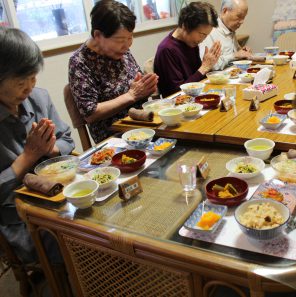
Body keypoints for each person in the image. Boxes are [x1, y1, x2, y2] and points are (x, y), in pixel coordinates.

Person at [0, 28, 75, 263]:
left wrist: (49, 148)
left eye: (33, 77)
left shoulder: (38, 98)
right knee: (74, 238)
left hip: (58, 196)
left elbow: (67, 140)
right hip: (20, 216)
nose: (29, 87)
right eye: (22, 81)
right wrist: (28, 156)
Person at [69, 0, 158, 143]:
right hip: (115, 138)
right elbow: (90, 113)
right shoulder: (80, 62)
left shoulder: (120, 51)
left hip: (143, 124)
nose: (127, 45)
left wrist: (146, 88)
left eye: (130, 37)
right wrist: (131, 95)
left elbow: (136, 87)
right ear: (98, 35)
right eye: (120, 40)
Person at [154, 1, 221, 97]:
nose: (202, 40)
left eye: (206, 35)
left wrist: (208, 66)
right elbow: (177, 93)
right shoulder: (167, 50)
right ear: (185, 25)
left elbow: (198, 79)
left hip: (196, 97)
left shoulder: (190, 42)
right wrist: (204, 68)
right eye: (202, 34)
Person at [199, 0, 251, 70]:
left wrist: (243, 51)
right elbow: (208, 65)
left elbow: (236, 52)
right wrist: (234, 56)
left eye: (244, 17)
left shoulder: (230, 28)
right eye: (239, 16)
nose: (242, 21)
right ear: (225, 11)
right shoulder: (210, 30)